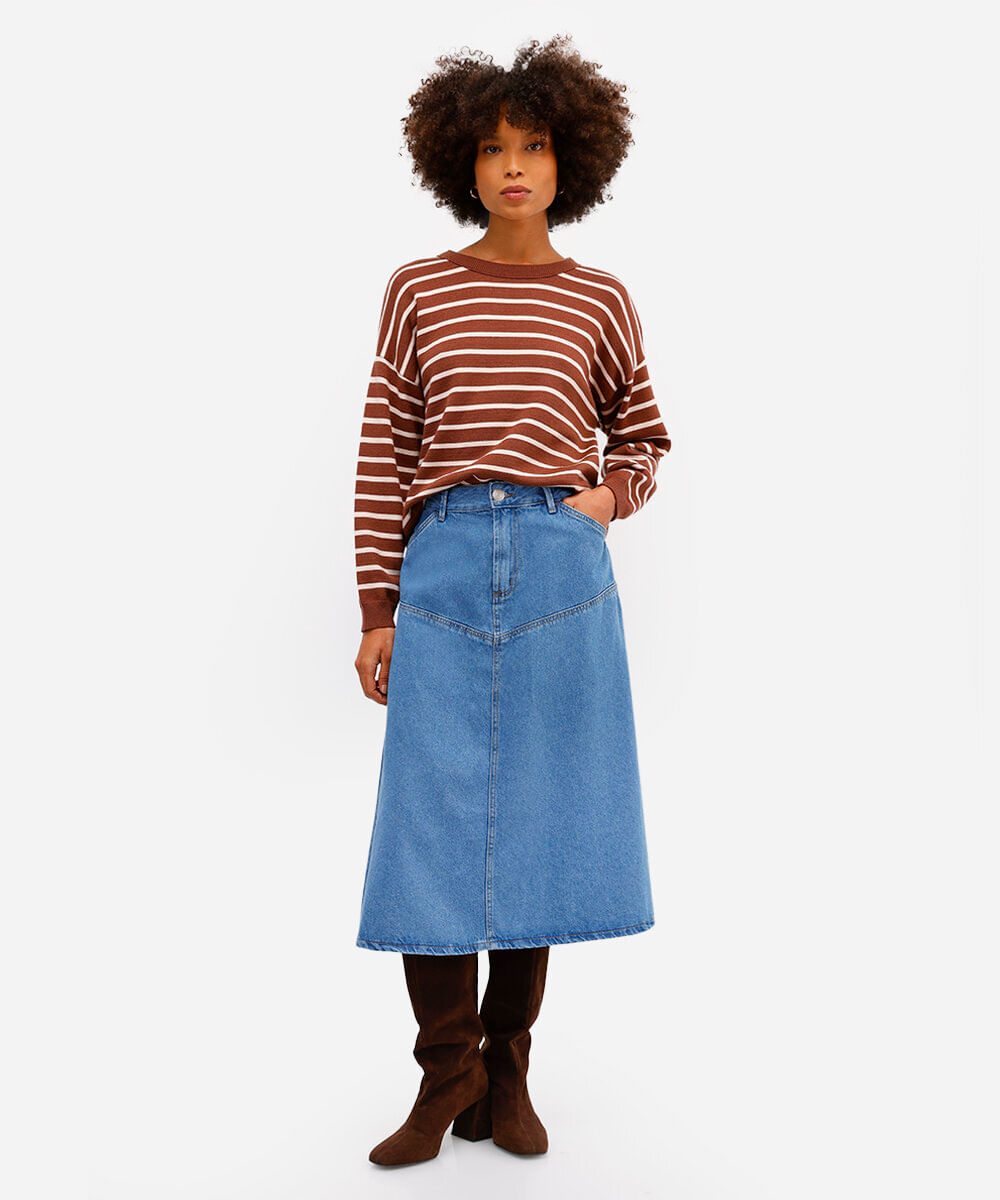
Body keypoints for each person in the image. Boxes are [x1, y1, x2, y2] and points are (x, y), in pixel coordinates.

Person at [352, 35, 672, 1167]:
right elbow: (386, 452)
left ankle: (510, 1072)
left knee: (539, 817)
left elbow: (644, 433)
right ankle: (447, 1072)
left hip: (559, 566)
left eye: (533, 146)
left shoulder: (600, 299)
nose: (513, 167)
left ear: (569, 158)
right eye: (492, 150)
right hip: (440, 561)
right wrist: (376, 608)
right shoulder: (418, 289)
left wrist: (603, 503)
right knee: (428, 826)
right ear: (463, 165)